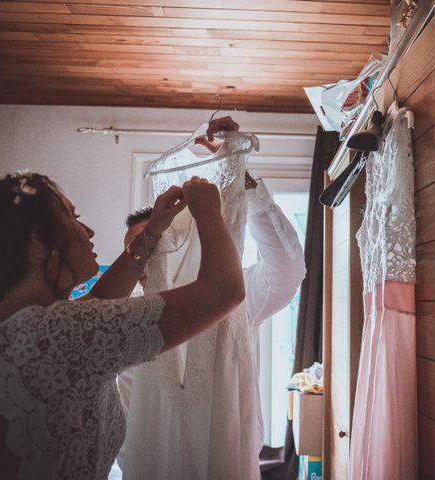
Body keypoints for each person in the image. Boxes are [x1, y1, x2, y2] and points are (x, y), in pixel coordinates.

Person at [0, 172, 245, 479]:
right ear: (38, 240)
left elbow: (99, 299)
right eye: (73, 218)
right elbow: (225, 290)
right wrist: (209, 212)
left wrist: (151, 232)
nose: (87, 231)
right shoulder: (63, 331)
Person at [116, 117, 306, 479]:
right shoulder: (124, 322)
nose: (142, 261)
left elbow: (288, 269)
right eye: (135, 254)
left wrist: (242, 184)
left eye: (154, 248)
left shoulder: (236, 295)